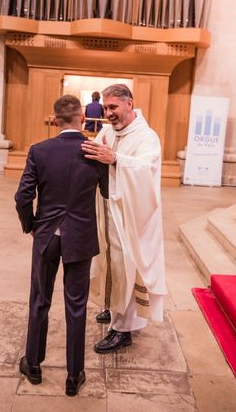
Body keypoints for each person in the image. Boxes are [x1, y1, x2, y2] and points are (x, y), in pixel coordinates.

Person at [15, 95, 108, 396]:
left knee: (40, 299)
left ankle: (33, 364)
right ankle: (73, 374)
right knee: (76, 306)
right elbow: (107, 192)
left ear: (55, 120)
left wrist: (31, 225)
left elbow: (22, 197)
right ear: (82, 118)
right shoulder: (95, 151)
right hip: (79, 236)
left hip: (46, 236)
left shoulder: (39, 151)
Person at [81, 84, 166, 353]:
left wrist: (116, 158)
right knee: (111, 261)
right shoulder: (107, 131)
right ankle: (115, 306)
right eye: (105, 108)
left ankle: (123, 329)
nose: (108, 114)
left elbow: (146, 169)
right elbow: (94, 153)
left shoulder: (146, 136)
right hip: (108, 209)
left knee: (128, 264)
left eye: (113, 107)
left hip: (132, 216)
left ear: (129, 103)